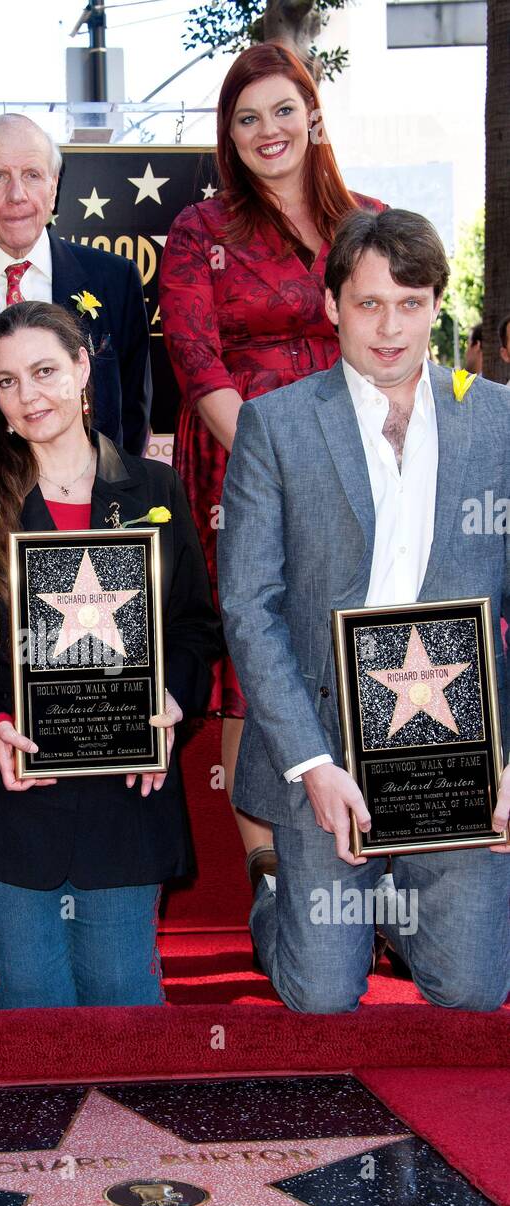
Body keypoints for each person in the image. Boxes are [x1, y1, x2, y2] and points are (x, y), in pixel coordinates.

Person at [218, 207, 510, 1015]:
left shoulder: (499, 422)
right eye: (369, 303)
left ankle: (394, 911)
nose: (389, 327)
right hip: (327, 737)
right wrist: (311, 765)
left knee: (474, 989)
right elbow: (248, 605)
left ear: (436, 307)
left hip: (460, 738)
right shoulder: (276, 425)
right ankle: (276, 887)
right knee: (319, 998)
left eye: (410, 303)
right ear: (330, 306)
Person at [0, 301, 221, 1009]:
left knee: (122, 1000)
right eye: (7, 381)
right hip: (4, 794)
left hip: (123, 793)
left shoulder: (154, 490)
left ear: (83, 368)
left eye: (45, 371)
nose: (29, 397)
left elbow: (195, 627)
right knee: (31, 1003)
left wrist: (170, 698)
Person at [159, 42, 385, 894]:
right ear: (228, 134)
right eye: (246, 117)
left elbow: (397, 346)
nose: (267, 130)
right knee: (251, 654)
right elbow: (195, 361)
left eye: (283, 110)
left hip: (360, 468)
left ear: (313, 116)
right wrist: (277, 467)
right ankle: (269, 869)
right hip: (240, 468)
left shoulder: (369, 221)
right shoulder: (198, 231)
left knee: (356, 638)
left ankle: (381, 843)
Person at [0, 113, 152, 477]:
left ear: (53, 187)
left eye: (32, 175)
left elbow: (133, 414)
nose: (17, 195)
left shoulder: (114, 279)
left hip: (87, 515)